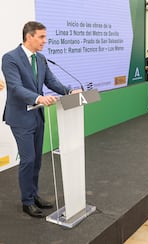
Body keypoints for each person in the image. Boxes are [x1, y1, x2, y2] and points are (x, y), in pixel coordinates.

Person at [2, 21, 82, 218]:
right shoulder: (10, 58)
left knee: (37, 159)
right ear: (29, 37)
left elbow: (51, 81)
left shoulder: (41, 58)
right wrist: (38, 97)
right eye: (41, 37)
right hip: (20, 116)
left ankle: (34, 194)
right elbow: (14, 87)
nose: (45, 41)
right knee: (28, 159)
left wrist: (69, 91)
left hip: (37, 115)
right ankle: (26, 202)